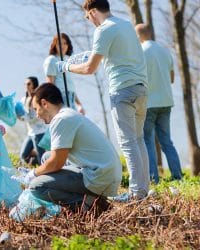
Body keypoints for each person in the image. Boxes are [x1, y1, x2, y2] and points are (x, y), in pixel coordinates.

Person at [58, 0, 149, 202]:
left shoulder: (103, 30)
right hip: (141, 88)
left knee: (128, 142)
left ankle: (136, 194)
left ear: (92, 12)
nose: (88, 20)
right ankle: (143, 190)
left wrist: (66, 67)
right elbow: (117, 53)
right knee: (139, 140)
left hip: (122, 91)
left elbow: (90, 69)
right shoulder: (125, 25)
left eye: (87, 16)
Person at [20, 83, 121, 209]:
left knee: (37, 186)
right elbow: (54, 159)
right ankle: (89, 197)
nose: (37, 115)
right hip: (105, 172)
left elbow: (57, 163)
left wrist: (33, 174)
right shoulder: (68, 114)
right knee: (47, 156)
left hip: (99, 177)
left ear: (44, 104)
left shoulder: (61, 119)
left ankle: (90, 204)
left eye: (36, 109)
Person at [135, 23, 182, 184]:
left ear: (139, 35)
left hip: (149, 103)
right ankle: (178, 178)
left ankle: (154, 180)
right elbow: (172, 79)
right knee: (167, 142)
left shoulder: (140, 52)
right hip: (166, 102)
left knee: (148, 141)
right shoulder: (165, 51)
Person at [43, 33, 85, 114]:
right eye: (59, 43)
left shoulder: (67, 61)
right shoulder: (52, 60)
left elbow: (70, 86)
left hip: (71, 97)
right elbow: (50, 84)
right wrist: (55, 102)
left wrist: (79, 104)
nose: (62, 46)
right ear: (54, 45)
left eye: (65, 43)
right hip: (61, 97)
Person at [18, 76, 47, 165]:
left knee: (41, 157)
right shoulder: (23, 100)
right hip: (30, 132)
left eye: (29, 84)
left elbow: (36, 116)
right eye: (25, 84)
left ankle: (45, 171)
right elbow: (22, 114)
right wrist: (19, 116)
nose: (26, 86)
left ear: (34, 84)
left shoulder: (38, 98)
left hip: (39, 131)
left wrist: (24, 117)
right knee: (23, 155)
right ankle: (36, 164)